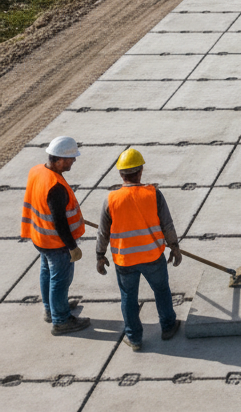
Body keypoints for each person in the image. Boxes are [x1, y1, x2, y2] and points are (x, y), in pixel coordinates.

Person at [96, 148, 182, 351]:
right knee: (161, 291)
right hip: (152, 256)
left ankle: (134, 339)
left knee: (128, 298)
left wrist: (100, 256)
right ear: (141, 171)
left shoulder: (111, 199)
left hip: (125, 261)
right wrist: (174, 247)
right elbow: (167, 225)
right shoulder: (153, 194)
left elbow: (102, 233)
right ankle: (168, 327)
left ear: (120, 174)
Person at [21, 136, 91, 334]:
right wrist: (72, 247)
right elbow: (60, 223)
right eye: (71, 158)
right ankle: (61, 320)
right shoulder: (56, 187)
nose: (73, 161)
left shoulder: (37, 171)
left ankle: (51, 310)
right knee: (60, 280)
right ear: (59, 159)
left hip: (40, 237)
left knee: (47, 273)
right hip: (56, 243)